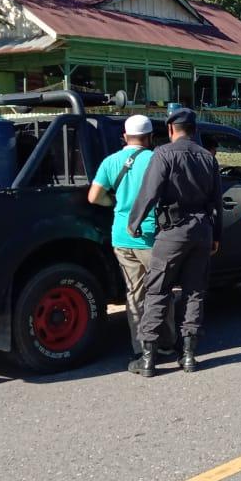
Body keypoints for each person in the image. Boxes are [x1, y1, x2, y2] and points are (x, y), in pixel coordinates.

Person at [127, 108, 222, 376]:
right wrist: (216, 236)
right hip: (202, 231)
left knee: (158, 292)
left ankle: (148, 360)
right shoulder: (208, 158)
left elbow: (149, 192)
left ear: (171, 130)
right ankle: (189, 356)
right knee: (194, 293)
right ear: (194, 130)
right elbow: (217, 203)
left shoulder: (163, 154)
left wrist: (134, 223)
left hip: (171, 233)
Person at [87, 115, 158, 361]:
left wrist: (115, 203)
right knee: (161, 290)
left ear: (124, 137)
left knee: (134, 293)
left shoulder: (110, 161)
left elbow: (94, 197)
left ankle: (141, 347)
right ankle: (166, 342)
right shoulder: (156, 160)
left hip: (121, 236)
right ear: (150, 137)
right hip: (151, 236)